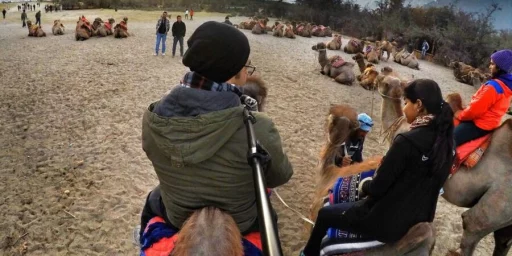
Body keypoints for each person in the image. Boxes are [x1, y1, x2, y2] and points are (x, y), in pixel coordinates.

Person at [139, 20, 293, 241]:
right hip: (239, 221)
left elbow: (151, 153)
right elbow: (280, 176)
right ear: (234, 71)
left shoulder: (153, 117)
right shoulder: (257, 125)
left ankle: (142, 236)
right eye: (245, 65)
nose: (247, 71)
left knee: (152, 200)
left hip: (177, 215)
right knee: (271, 221)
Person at [301, 79, 455, 256]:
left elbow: (377, 188)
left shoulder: (406, 141)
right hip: (420, 218)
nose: (404, 109)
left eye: (406, 103)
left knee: (325, 214)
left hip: (387, 224)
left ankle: (308, 253)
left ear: (418, 105)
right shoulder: (448, 145)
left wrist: (364, 185)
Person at [454, 49, 512, 147]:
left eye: (492, 64)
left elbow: (475, 110)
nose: (490, 67)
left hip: (479, 125)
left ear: (500, 68)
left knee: (449, 140)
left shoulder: (493, 87)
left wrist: (461, 115)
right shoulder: (507, 86)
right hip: (493, 124)